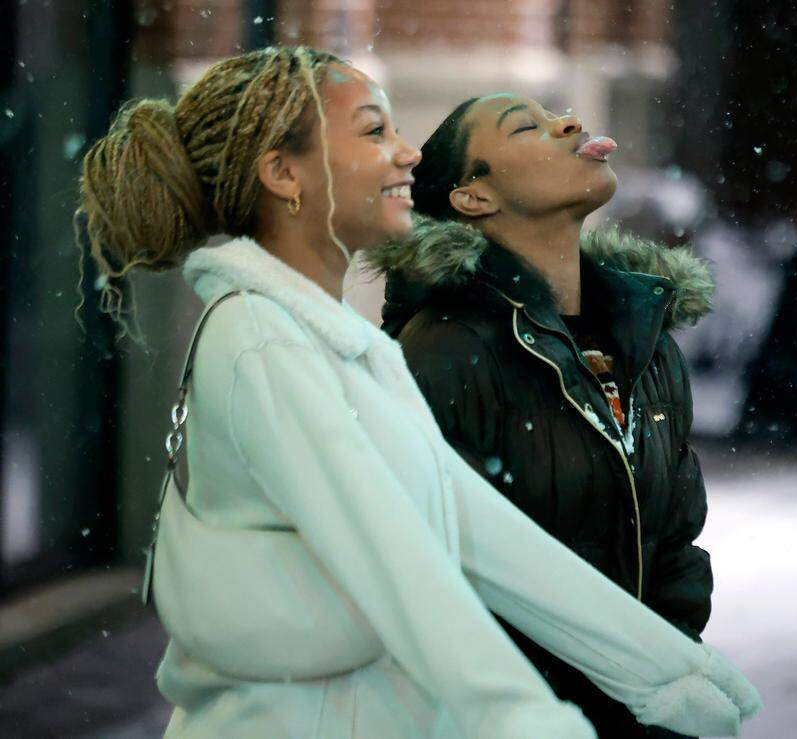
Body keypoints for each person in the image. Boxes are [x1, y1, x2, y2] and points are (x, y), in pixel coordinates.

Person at [77, 47, 760, 738]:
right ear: (285, 174)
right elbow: (400, 564)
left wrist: (667, 672)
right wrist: (521, 716)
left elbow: (478, 538)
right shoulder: (259, 340)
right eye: (374, 132)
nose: (407, 153)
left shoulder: (341, 345)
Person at [368, 93, 719, 737]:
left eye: (558, 116)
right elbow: (433, 577)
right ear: (473, 197)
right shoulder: (447, 349)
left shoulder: (644, 337)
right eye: (526, 127)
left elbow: (676, 544)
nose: (569, 124)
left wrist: (666, 684)